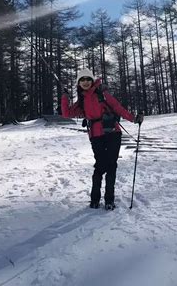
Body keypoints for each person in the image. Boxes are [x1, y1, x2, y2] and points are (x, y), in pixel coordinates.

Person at [61, 68, 143, 210]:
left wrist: (133, 118)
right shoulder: (81, 100)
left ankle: (109, 200)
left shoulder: (103, 94)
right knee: (100, 165)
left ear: (92, 80)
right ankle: (94, 199)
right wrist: (64, 97)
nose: (85, 82)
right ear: (79, 83)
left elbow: (118, 108)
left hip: (112, 133)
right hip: (95, 136)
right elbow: (67, 113)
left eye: (87, 79)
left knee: (111, 165)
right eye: (82, 80)